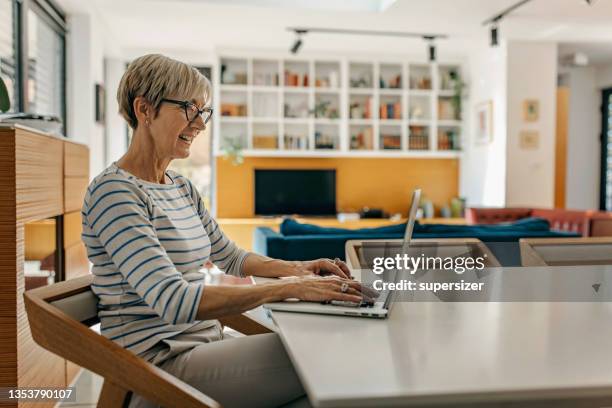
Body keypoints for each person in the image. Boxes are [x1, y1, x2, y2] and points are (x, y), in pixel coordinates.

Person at [81, 54, 375, 408]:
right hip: (159, 366)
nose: (200, 124)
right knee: (324, 353)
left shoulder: (181, 187)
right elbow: (173, 300)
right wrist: (290, 289)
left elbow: (230, 257)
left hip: (208, 343)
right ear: (144, 109)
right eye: (189, 108)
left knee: (325, 370)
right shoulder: (114, 193)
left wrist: (297, 269)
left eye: (203, 112)